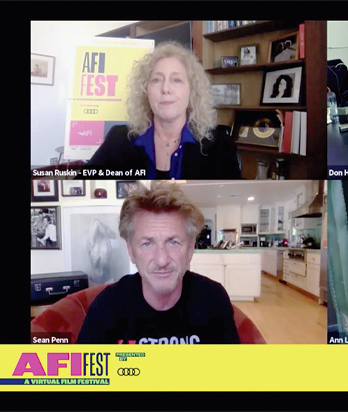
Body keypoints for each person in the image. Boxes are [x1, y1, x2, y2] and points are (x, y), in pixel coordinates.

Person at [77, 183, 240, 344]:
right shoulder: (106, 306)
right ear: (131, 251)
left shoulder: (213, 300)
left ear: (190, 250)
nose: (162, 260)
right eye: (147, 244)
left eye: (173, 242)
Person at [85, 42, 241, 180]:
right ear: (145, 91)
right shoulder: (118, 140)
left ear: (192, 91)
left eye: (176, 80)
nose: (165, 89)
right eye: (156, 80)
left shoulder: (220, 146)